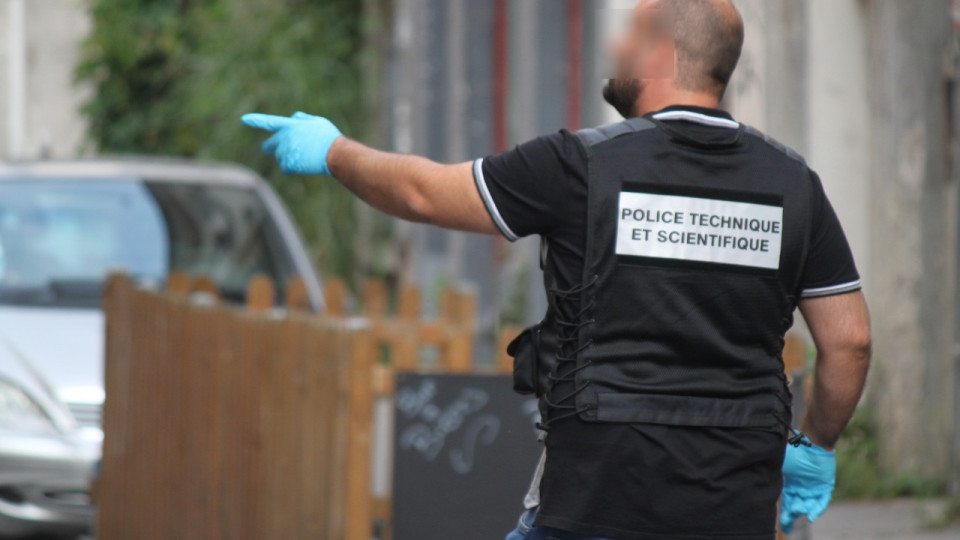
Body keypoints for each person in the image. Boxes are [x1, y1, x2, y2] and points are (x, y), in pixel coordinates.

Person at [242, 0, 872, 538]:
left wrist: (335, 151)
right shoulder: (794, 186)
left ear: (661, 53)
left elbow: (423, 194)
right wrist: (813, 447)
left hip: (596, 498)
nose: (615, 46)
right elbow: (848, 342)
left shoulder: (580, 167)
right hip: (732, 508)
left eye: (629, 33)